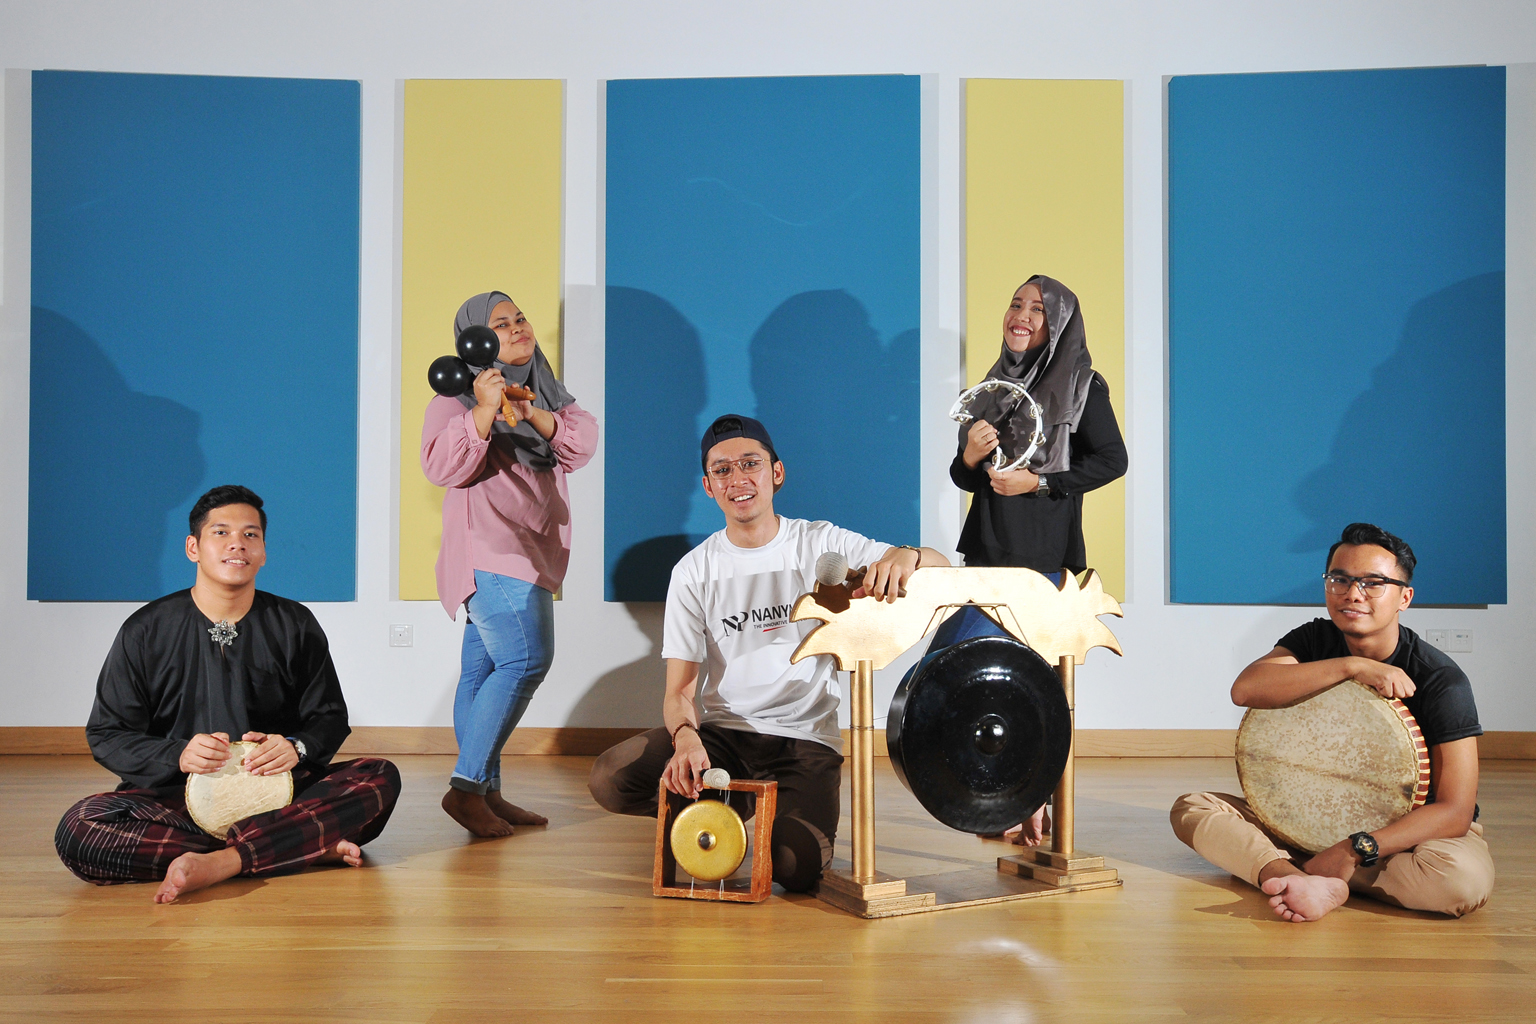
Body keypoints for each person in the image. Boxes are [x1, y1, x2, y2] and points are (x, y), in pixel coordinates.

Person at [587, 415, 949, 891]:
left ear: (776, 473)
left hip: (806, 742)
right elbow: (679, 691)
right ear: (708, 486)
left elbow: (940, 569)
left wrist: (909, 555)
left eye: (750, 464)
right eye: (722, 470)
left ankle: (769, 807)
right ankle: (729, 801)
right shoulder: (693, 572)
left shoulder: (820, 542)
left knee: (795, 872)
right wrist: (685, 738)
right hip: (726, 737)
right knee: (611, 777)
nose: (738, 478)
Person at [54, 485, 401, 904]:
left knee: (381, 775)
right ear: (193, 547)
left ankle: (224, 862)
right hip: (176, 800)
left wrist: (296, 747)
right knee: (81, 827)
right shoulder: (145, 629)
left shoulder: (295, 622)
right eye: (221, 532)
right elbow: (107, 734)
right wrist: (177, 755)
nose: (238, 542)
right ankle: (294, 847)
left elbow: (328, 715)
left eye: (251, 534)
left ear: (264, 551)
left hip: (280, 796)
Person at [1171, 523, 1493, 921]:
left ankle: (1299, 868)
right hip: (1301, 825)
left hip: (1407, 838)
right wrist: (1352, 665)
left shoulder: (1441, 679)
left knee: (1460, 881)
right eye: (1339, 579)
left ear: (1404, 597)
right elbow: (1247, 690)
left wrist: (1352, 849)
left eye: (1373, 583)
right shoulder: (1314, 640)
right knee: (1191, 809)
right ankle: (1299, 877)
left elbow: (1455, 811)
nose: (1352, 593)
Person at [947, 275, 1127, 844]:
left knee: (1035, 685)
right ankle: (996, 795)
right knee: (977, 676)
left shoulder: (1082, 385)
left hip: (1045, 554)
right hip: (987, 550)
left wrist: (1041, 483)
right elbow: (964, 477)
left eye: (1037, 309)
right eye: (1015, 304)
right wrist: (971, 457)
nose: (1021, 315)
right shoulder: (995, 388)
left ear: (1059, 325)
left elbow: (1112, 461)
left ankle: (1034, 803)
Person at [421, 291, 597, 837]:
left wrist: (531, 413)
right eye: (501, 323)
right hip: (491, 550)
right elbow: (440, 465)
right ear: (477, 339)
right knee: (526, 660)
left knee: (483, 669)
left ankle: (488, 794)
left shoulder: (548, 395)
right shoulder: (454, 400)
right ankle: (467, 789)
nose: (518, 327)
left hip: (534, 547)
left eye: (520, 317)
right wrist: (481, 411)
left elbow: (581, 443)